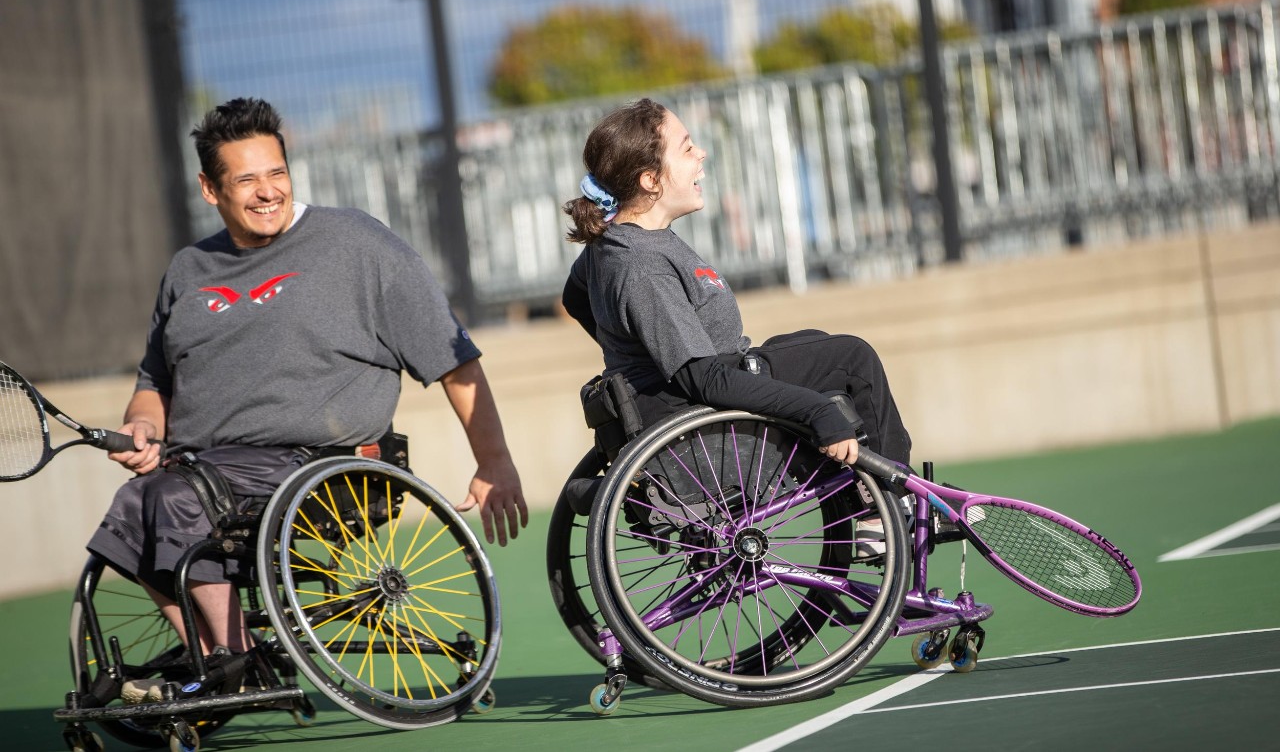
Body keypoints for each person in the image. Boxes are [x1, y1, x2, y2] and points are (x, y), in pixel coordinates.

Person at [87, 97, 527, 703]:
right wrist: (142, 425)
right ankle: (220, 658)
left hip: (322, 465)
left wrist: (495, 461)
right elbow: (153, 383)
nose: (267, 191)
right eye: (246, 180)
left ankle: (229, 662)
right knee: (136, 504)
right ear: (210, 189)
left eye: (277, 173)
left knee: (169, 495)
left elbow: (455, 359)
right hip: (202, 468)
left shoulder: (357, 244)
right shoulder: (188, 270)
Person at [561, 98, 911, 542]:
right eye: (687, 148)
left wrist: (635, 353)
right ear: (650, 180)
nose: (701, 154)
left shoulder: (614, 243)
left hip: (705, 384)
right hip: (702, 411)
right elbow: (703, 378)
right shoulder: (641, 264)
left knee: (810, 341)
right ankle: (890, 502)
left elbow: (575, 297)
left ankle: (868, 495)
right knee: (850, 359)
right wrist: (816, 410)